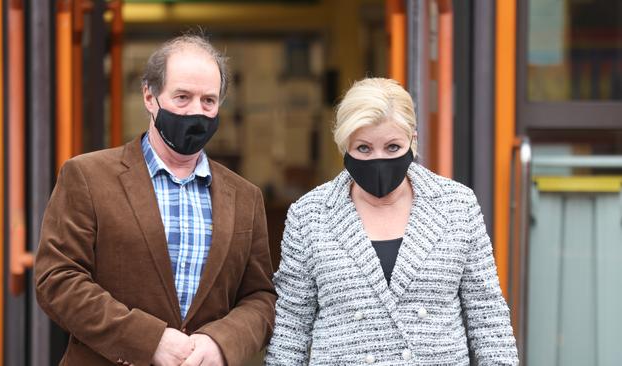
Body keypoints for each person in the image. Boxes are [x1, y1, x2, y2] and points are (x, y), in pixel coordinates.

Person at [35, 33, 276, 366]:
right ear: (149, 96)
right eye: (182, 97)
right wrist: (149, 341)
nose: (196, 111)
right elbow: (57, 279)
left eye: (208, 101)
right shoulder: (88, 176)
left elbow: (260, 297)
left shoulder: (246, 197)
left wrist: (221, 343)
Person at [265, 78, 518, 365]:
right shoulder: (310, 214)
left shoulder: (457, 204)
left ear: (413, 140)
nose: (378, 159)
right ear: (344, 145)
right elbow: (292, 326)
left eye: (392, 147)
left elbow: (487, 316)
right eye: (363, 148)